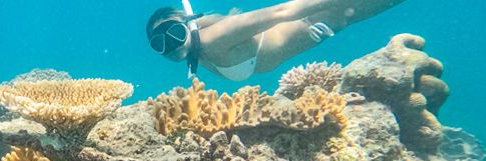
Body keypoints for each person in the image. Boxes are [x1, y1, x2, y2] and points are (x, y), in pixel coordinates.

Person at [147, 0, 404, 80]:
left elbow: (283, 12)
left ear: (188, 27)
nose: (171, 45)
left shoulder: (215, 38)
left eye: (174, 33)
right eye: (159, 43)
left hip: (317, 18)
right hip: (321, 27)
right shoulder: (196, 54)